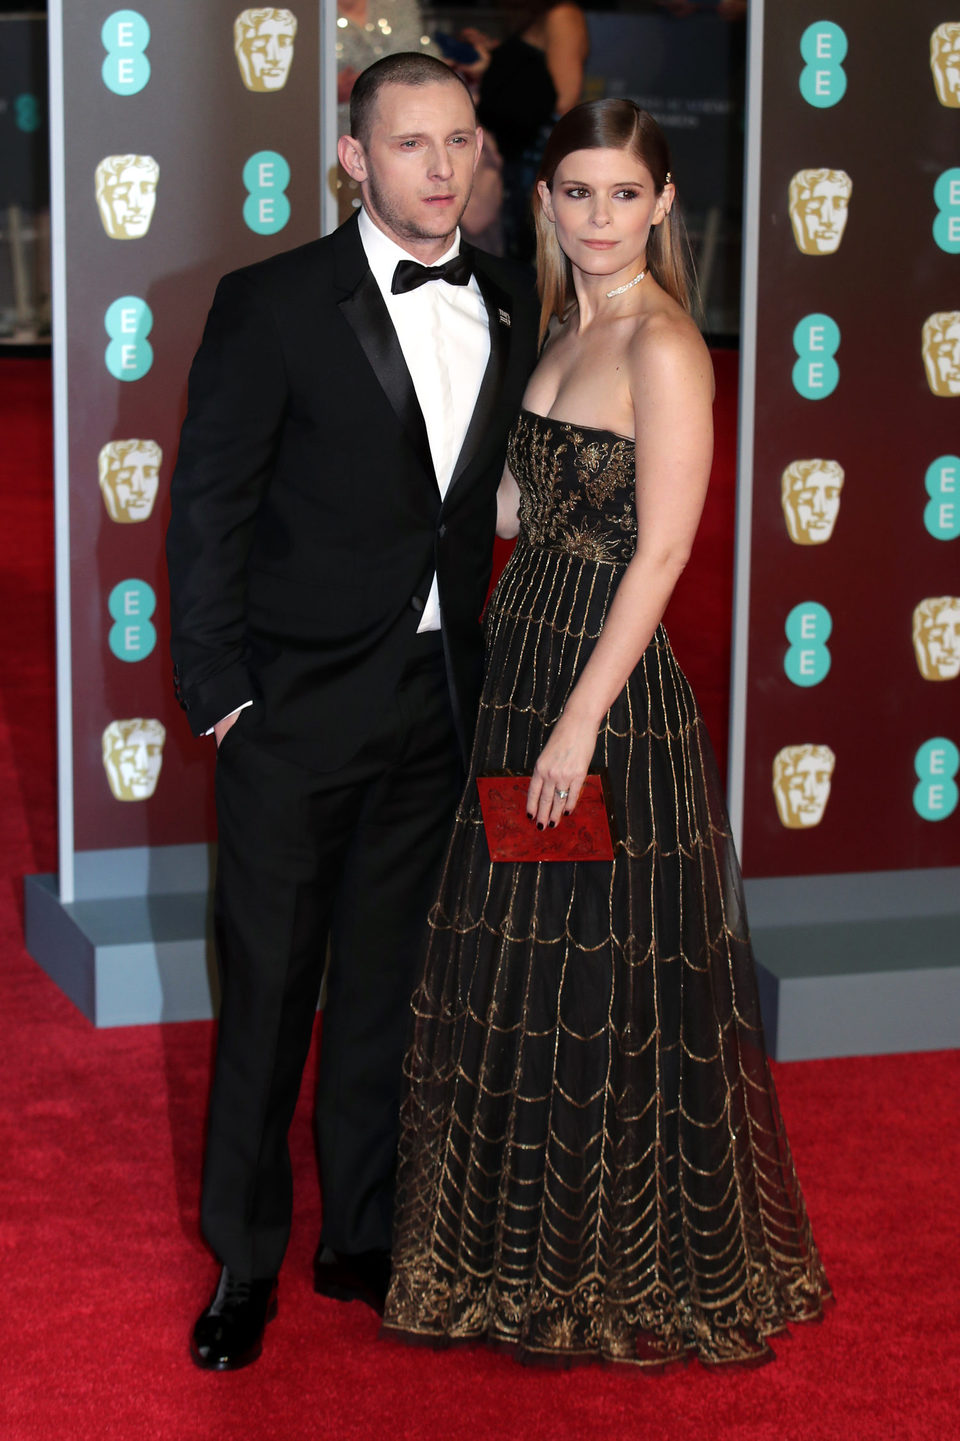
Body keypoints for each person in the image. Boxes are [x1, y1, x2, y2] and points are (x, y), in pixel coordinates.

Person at [382, 98, 832, 1367]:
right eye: (573, 192)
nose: (596, 216)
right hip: (523, 664)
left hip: (603, 694)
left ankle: (600, 1268)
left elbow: (668, 547)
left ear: (664, 202)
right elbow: (517, 500)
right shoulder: (560, 331)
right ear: (542, 201)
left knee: (597, 968)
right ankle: (515, 1249)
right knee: (525, 957)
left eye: (621, 195)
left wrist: (580, 719)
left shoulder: (665, 347)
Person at [166, 52, 538, 1372]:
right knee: (267, 999)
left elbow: (475, 498)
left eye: (460, 141)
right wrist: (223, 698)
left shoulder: (505, 294)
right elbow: (207, 508)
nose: (442, 167)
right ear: (353, 160)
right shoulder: (269, 305)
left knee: (384, 990)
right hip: (293, 715)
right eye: (411, 144)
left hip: (437, 711)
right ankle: (245, 1259)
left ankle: (360, 1234)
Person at [466, 2, 589, 262]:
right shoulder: (533, 16)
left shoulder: (562, 15)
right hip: (512, 162)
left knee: (527, 263)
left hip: (532, 165)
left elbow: (564, 102)